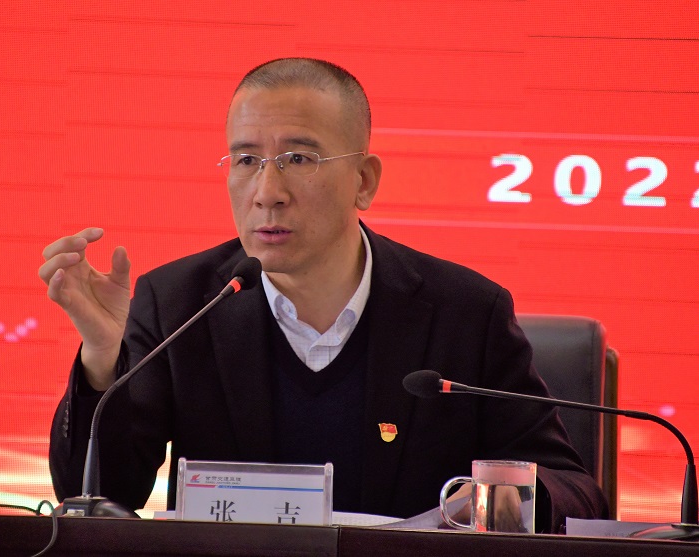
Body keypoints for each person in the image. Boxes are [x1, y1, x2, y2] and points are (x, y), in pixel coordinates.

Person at [41, 58, 608, 532]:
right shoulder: (179, 304)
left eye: (299, 159)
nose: (267, 192)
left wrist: (506, 499)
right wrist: (101, 360)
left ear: (364, 180)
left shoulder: (466, 314)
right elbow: (102, 498)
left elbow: (579, 493)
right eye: (246, 160)